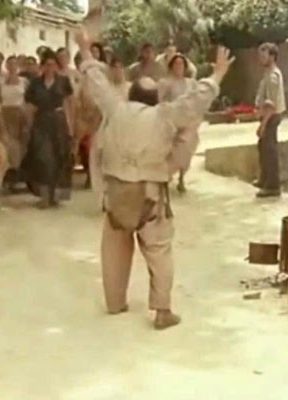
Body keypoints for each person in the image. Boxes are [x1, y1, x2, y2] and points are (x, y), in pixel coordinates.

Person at [76, 29, 233, 329]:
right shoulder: (164, 115)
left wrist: (85, 49)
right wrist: (217, 75)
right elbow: (195, 101)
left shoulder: (115, 107)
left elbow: (95, 80)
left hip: (116, 190)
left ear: (132, 95)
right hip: (149, 192)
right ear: (154, 99)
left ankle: (115, 302)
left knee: (114, 247)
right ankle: (162, 310)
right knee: (159, 251)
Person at [23, 50, 74, 208]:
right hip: (41, 122)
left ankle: (54, 195)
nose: (50, 68)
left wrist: (71, 126)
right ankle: (44, 196)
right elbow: (29, 106)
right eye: (47, 64)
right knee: (43, 158)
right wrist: (28, 126)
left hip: (58, 122)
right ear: (42, 66)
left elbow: (69, 104)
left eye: (53, 64)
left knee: (58, 157)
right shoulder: (35, 83)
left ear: (57, 66)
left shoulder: (63, 81)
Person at [158, 54, 199, 193]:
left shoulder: (191, 83)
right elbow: (160, 100)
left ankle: (182, 177)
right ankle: (166, 176)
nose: (179, 67)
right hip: (171, 120)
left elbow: (196, 100)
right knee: (170, 150)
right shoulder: (165, 83)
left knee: (186, 149)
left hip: (188, 120)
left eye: (181, 64)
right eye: (176, 64)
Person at [254, 43, 286, 198]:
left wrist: (263, 124)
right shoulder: (268, 73)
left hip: (270, 117)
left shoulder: (273, 76)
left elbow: (271, 105)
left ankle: (272, 186)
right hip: (267, 115)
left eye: (264, 55)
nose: (261, 58)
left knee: (270, 151)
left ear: (272, 56)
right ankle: (264, 179)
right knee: (263, 147)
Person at [0, 56, 29, 191]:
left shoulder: (24, 82)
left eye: (14, 64)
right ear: (6, 66)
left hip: (20, 114)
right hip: (6, 114)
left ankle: (19, 177)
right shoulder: (2, 82)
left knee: (21, 145)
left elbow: (28, 100)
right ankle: (8, 177)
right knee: (7, 145)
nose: (12, 66)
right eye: (9, 64)